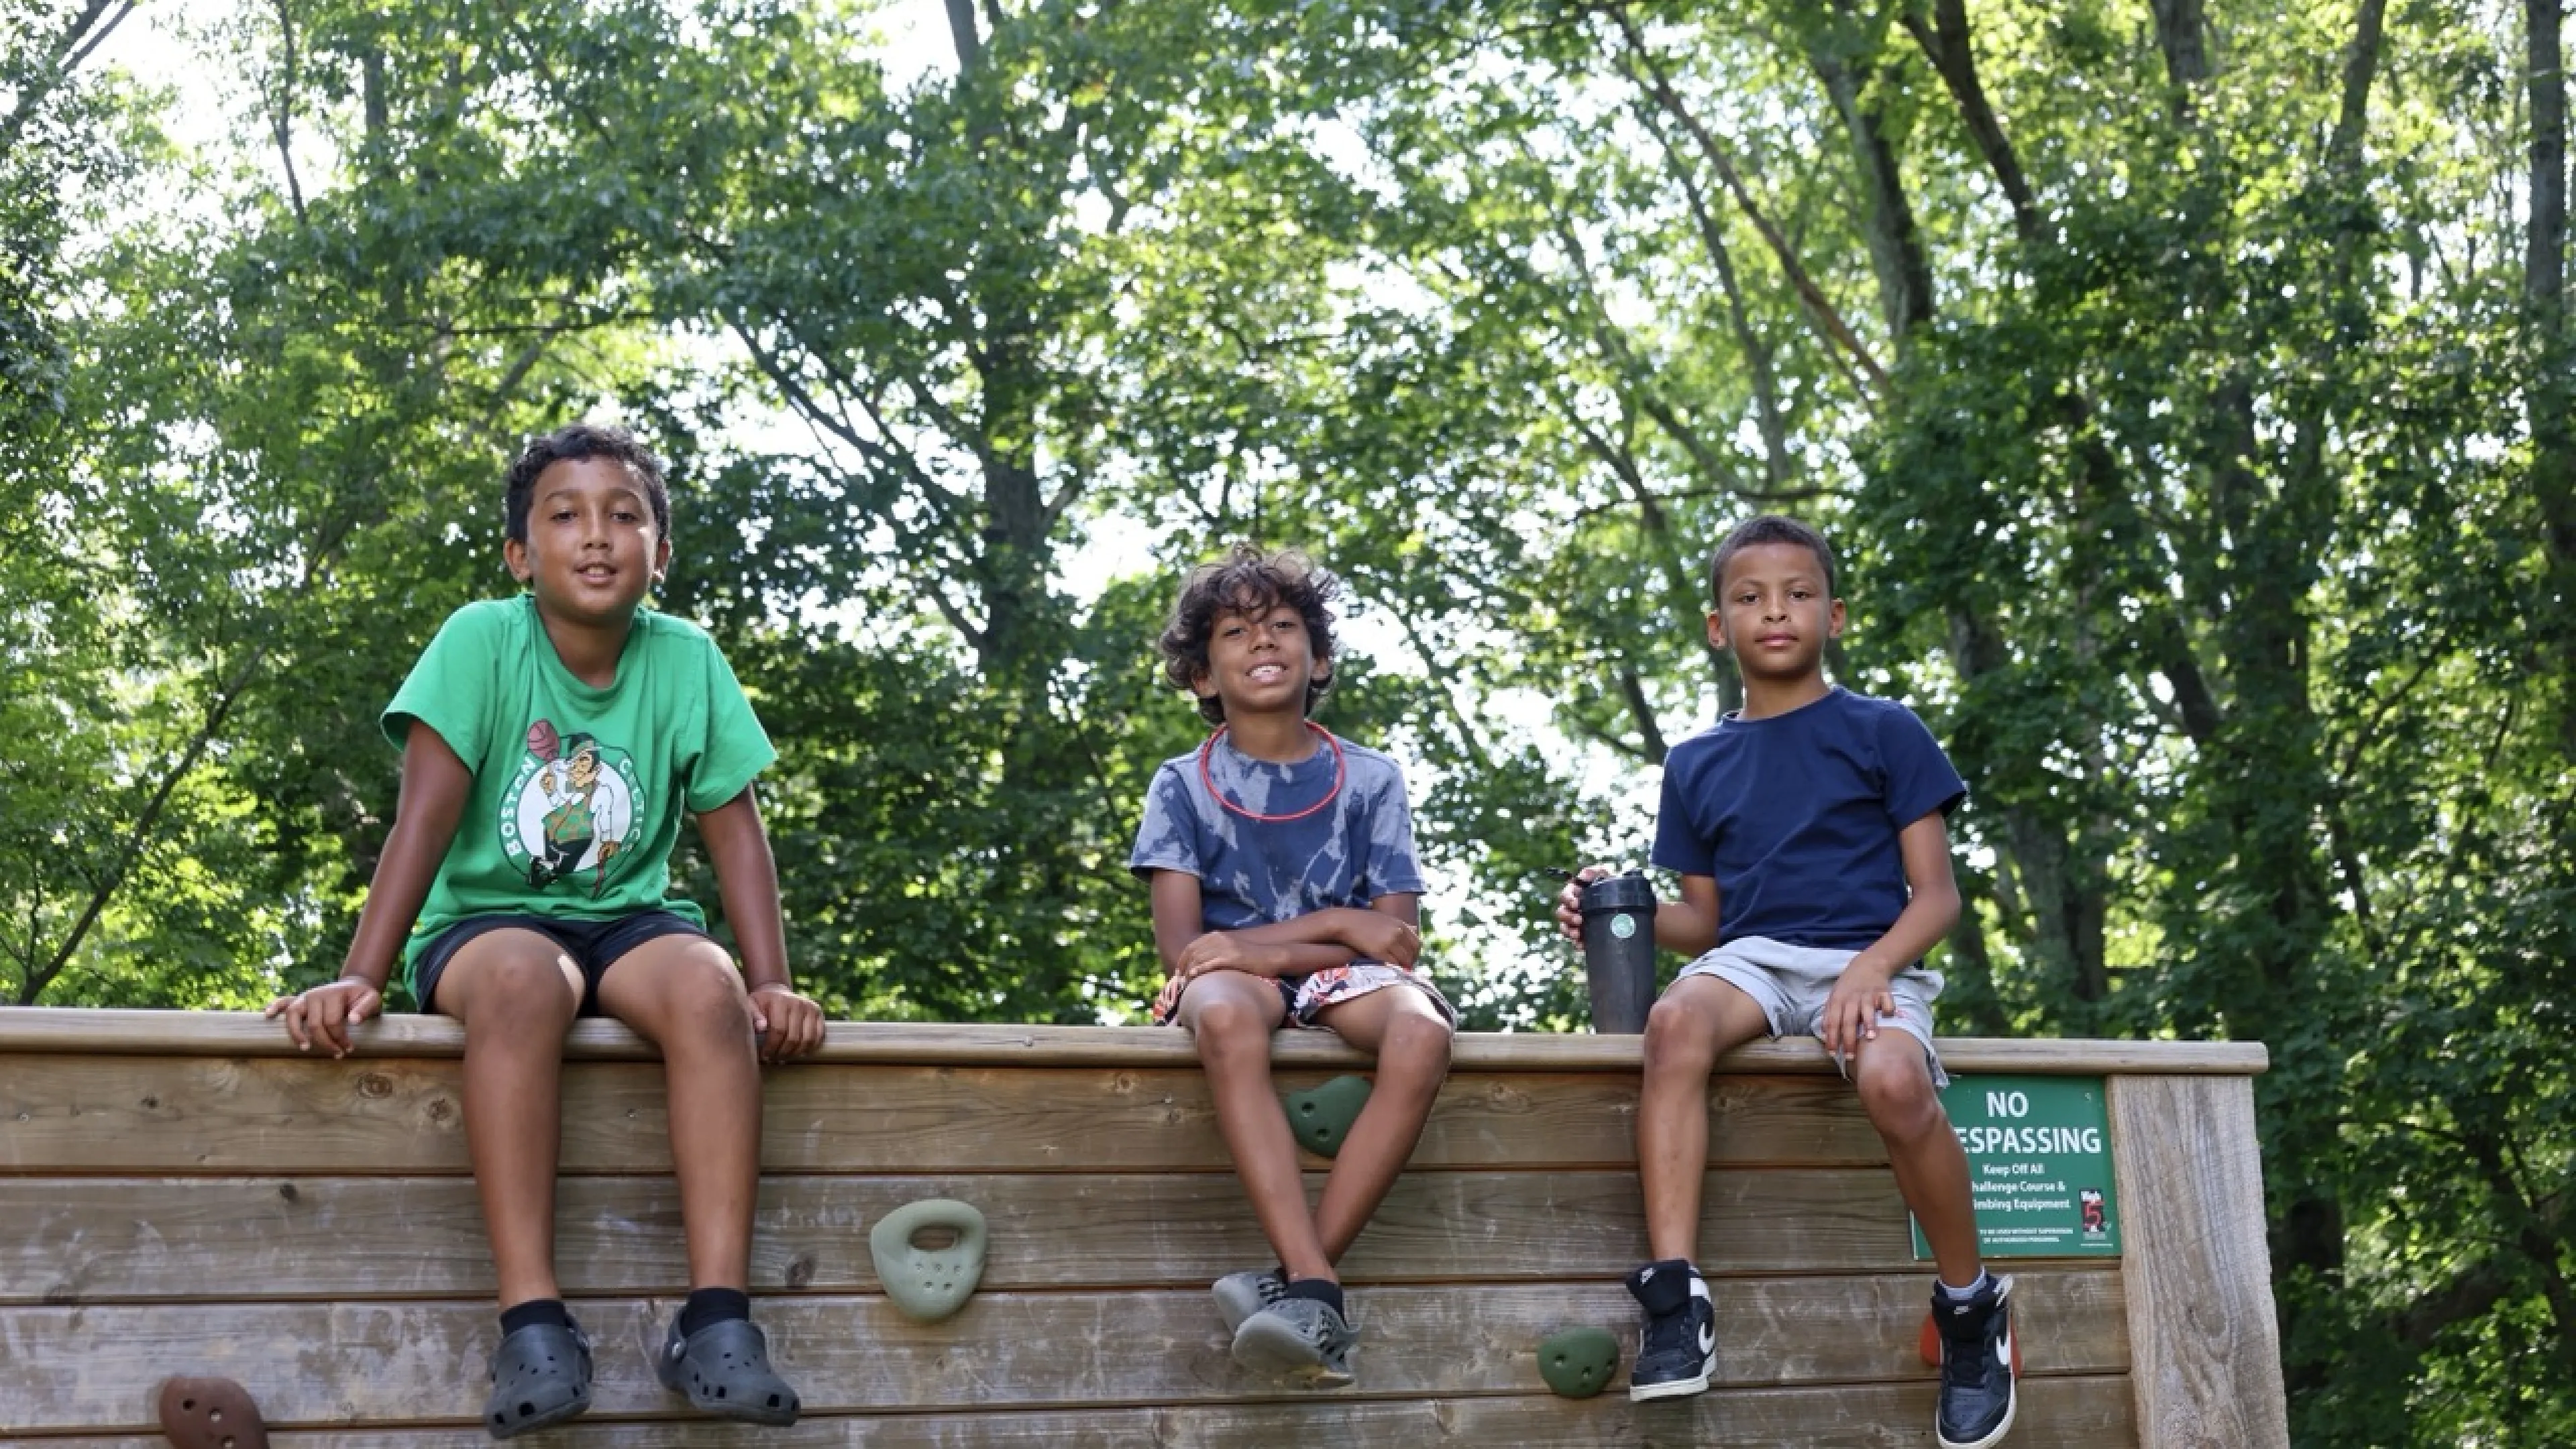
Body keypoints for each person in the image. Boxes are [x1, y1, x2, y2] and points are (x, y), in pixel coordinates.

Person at [266, 423, 824, 1439]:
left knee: (708, 988)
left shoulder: (688, 659)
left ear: (662, 552)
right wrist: (362, 974)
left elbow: (737, 836)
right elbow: (424, 817)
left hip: (631, 921)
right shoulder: (482, 639)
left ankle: (717, 1319)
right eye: (565, 516)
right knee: (525, 980)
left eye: (625, 516)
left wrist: (770, 981)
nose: (597, 535)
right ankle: (532, 1319)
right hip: (488, 921)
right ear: (523, 555)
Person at [1553, 516, 2015, 1448]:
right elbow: (1706, 922)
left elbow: (1937, 897)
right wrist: (1616, 908)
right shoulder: (1695, 763)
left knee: (1891, 1079)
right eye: (1751, 597)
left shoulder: (1885, 730)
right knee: (1675, 1021)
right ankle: (1678, 1298)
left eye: (1798, 594)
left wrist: (1872, 969)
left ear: (1834, 615)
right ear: (1717, 627)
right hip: (1753, 960)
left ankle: (1970, 1310)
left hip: (1872, 958)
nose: (1776, 611)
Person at [1130, 544, 1457, 1389]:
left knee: (1421, 1034)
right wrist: (1328, 929)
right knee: (1230, 1011)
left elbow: (1396, 943)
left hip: (1324, 972)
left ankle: (1301, 1281)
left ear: (1319, 657)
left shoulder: (1370, 779)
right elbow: (1185, 954)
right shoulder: (1180, 785)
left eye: (1283, 625)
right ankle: (1315, 1290)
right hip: (1230, 980)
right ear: (1203, 675)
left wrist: (1274, 942)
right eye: (1236, 632)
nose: (1263, 641)